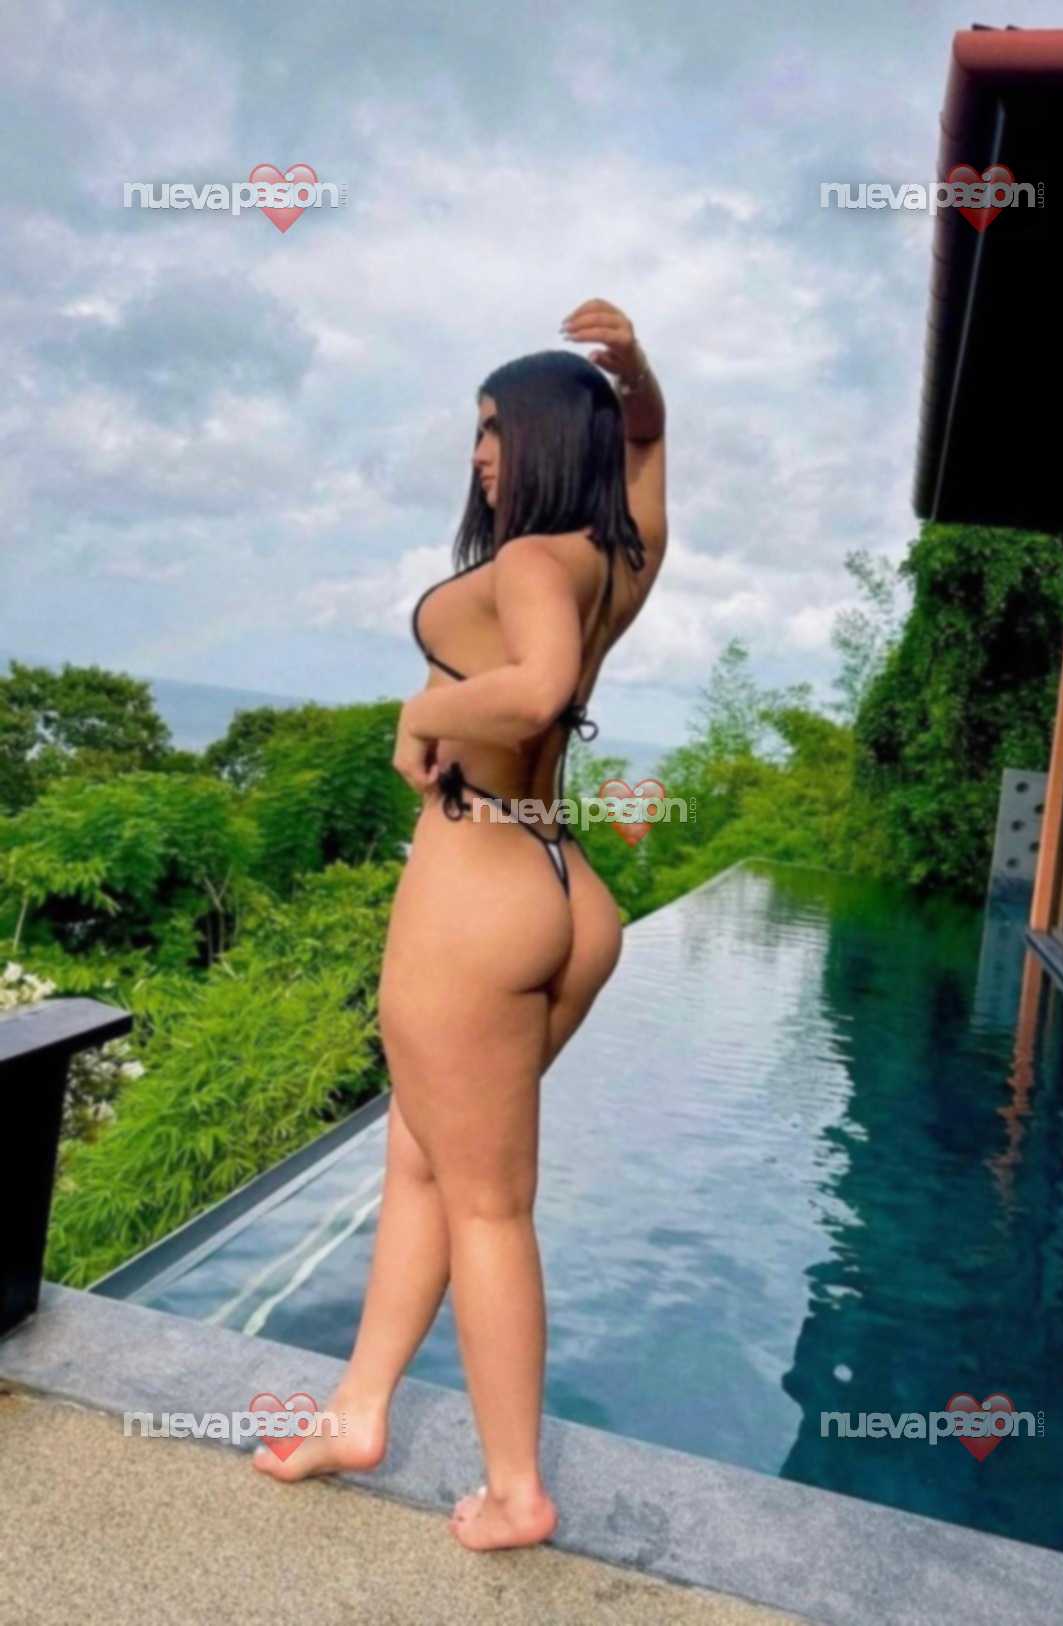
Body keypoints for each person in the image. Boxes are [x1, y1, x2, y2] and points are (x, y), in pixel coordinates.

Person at [253, 297, 668, 1553]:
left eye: (496, 428)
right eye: (477, 432)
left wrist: (422, 713)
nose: (481, 453)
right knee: (425, 1161)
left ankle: (515, 1490)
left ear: (545, 437)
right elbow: (648, 459)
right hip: (561, 887)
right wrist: (641, 380)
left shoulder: (535, 561)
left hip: (477, 890)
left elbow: (536, 691)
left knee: (487, 1203)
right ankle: (358, 1413)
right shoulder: (616, 561)